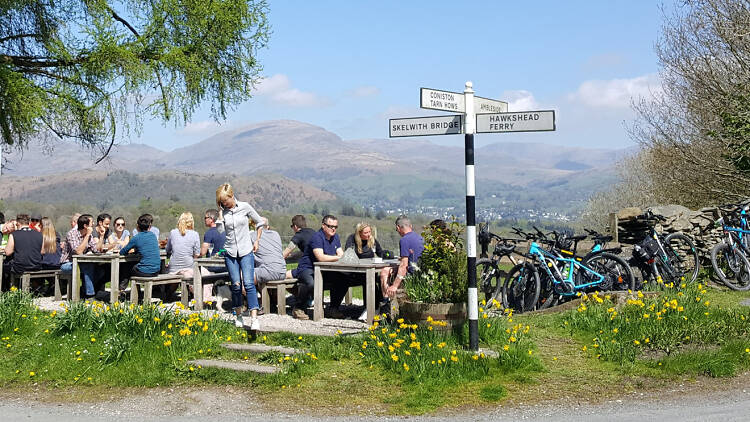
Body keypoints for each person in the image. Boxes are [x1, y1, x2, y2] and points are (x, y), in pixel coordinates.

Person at [215, 183, 265, 330]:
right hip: (230, 252)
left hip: (246, 250)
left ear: (232, 195)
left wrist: (257, 240)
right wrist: (219, 214)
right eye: (221, 202)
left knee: (249, 283)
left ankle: (254, 318)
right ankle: (238, 315)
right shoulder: (223, 212)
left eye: (226, 200)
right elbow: (219, 231)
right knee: (236, 285)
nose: (225, 203)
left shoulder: (245, 206)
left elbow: (259, 222)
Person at [288, 214, 351, 320]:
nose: (333, 229)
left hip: (324, 270)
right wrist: (338, 257)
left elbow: (341, 253)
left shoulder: (335, 237)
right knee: (311, 283)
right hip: (308, 268)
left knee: (344, 278)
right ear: (323, 225)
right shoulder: (317, 237)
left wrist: (341, 257)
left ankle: (333, 308)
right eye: (331, 226)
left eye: (335, 227)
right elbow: (320, 257)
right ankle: (299, 307)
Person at [380, 215, 424, 299]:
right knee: (390, 270)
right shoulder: (420, 238)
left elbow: (404, 265)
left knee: (384, 272)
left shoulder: (404, 240)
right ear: (410, 226)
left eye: (397, 230)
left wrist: (394, 286)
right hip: (421, 273)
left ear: (398, 227)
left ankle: (386, 303)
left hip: (411, 276)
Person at [119, 214, 162, 299]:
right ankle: (136, 293)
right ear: (149, 226)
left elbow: (123, 251)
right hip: (157, 270)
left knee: (126, 266)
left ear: (137, 226)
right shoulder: (153, 235)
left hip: (145, 272)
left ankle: (121, 291)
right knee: (134, 265)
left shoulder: (136, 237)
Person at [60, 214, 102, 299]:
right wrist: (87, 236)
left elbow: (96, 250)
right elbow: (78, 252)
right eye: (91, 223)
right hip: (67, 264)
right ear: (85, 226)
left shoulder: (89, 235)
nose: (93, 224)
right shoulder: (72, 234)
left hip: (82, 263)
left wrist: (101, 236)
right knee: (87, 266)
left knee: (100, 270)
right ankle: (90, 295)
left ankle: (84, 291)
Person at [4, 214, 43, 280]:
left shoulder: (14, 234)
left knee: (4, 266)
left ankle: (8, 287)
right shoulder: (39, 234)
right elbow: (42, 251)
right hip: (36, 266)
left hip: (19, 267)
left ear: (18, 223)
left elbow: (8, 252)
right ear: (29, 223)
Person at [251, 217, 286, 284]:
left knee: (244, 275)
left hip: (268, 271)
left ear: (256, 226)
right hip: (282, 271)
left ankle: (247, 294)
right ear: (267, 227)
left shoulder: (253, 236)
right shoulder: (276, 234)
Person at [165, 212, 200, 280]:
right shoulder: (195, 234)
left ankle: (168, 290)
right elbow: (197, 254)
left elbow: (167, 250)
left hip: (173, 268)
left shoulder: (173, 232)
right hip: (189, 267)